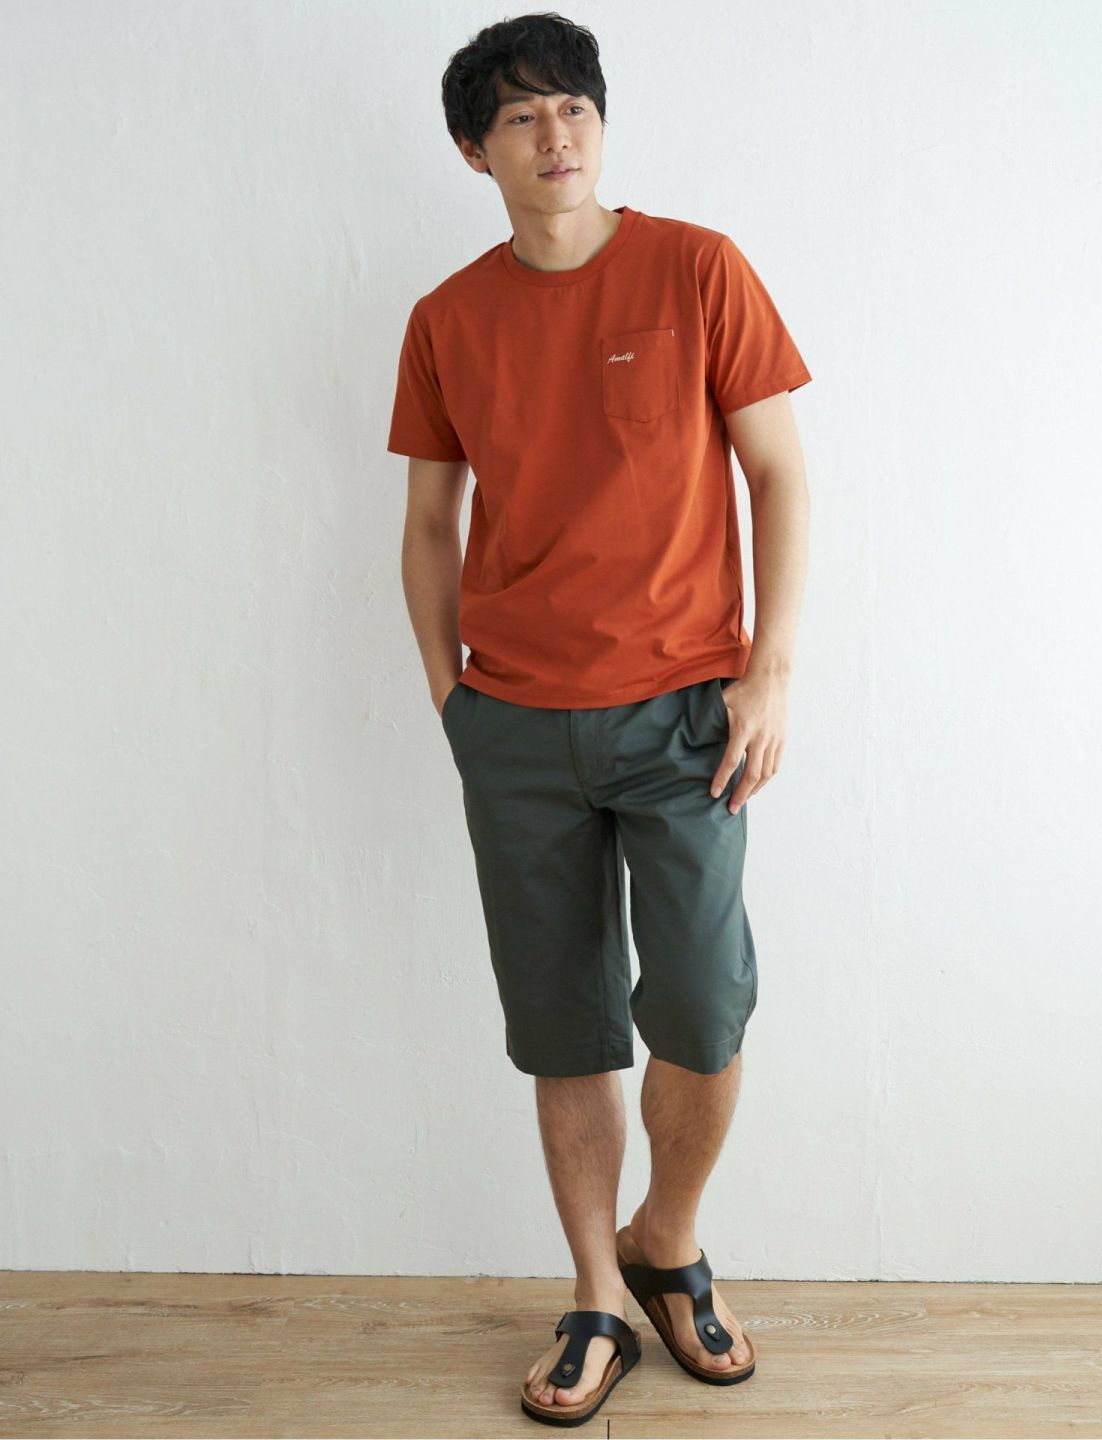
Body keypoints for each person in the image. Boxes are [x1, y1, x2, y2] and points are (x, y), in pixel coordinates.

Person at [387, 13, 812, 1427]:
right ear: (476, 151)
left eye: (573, 107)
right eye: (519, 117)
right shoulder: (447, 318)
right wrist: (451, 694)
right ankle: (592, 1294)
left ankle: (665, 1240)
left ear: (602, 124)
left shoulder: (698, 268)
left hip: (688, 713)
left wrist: (770, 671)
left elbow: (780, 476)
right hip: (515, 725)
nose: (554, 135)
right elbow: (431, 519)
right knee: (563, 1025)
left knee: (701, 1002)